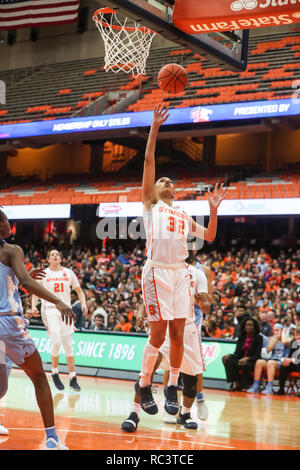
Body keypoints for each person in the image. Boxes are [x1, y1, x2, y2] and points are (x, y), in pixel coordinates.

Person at [135, 103, 226, 416]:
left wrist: (214, 210)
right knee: (158, 335)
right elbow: (148, 160)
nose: (167, 181)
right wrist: (155, 128)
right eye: (162, 180)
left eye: (170, 180)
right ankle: (144, 383)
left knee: (176, 334)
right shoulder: (151, 205)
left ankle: (172, 384)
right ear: (155, 189)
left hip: (179, 275)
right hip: (157, 272)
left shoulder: (182, 214)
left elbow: (211, 237)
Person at [0, 207, 75, 449]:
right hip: (8, 323)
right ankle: (52, 439)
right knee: (40, 378)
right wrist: (59, 301)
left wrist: (14, 277)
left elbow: (13, 281)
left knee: (1, 387)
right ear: (0, 224)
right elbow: (27, 282)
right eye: (6, 220)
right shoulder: (11, 250)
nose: (9, 224)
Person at [121, 254, 210, 432]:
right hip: (164, 325)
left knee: (191, 377)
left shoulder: (198, 274)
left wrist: (202, 300)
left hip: (188, 326)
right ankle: (134, 413)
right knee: (149, 368)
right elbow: (151, 293)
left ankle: (185, 414)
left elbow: (207, 307)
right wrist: (141, 311)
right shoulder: (162, 267)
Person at [31, 249, 88, 392]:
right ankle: (54, 372)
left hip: (66, 310)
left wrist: (84, 303)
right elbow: (35, 292)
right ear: (48, 259)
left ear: (60, 258)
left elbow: (79, 291)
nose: (55, 256)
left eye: (57, 254)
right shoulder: (44, 273)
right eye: (52, 255)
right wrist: (33, 306)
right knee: (56, 341)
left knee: (68, 345)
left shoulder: (69, 273)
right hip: (50, 309)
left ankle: (73, 377)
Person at [247, 323, 290, 395]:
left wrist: (282, 335)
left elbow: (285, 342)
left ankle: (269, 387)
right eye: (274, 330)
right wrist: (274, 340)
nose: (275, 332)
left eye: (277, 330)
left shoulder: (287, 339)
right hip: (272, 361)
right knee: (259, 362)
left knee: (270, 362)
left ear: (282, 331)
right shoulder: (273, 339)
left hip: (282, 362)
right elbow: (268, 350)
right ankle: (255, 385)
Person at [222, 318, 262, 391]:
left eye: (251, 325)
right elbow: (237, 353)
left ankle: (245, 385)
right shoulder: (241, 337)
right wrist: (230, 355)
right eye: (247, 325)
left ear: (254, 327)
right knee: (227, 359)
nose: (249, 327)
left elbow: (258, 355)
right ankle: (236, 383)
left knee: (244, 363)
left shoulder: (259, 338)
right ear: (244, 326)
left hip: (252, 361)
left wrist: (247, 358)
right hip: (240, 359)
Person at [276, 325, 300, 395]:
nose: (297, 337)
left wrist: (291, 360)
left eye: (299, 335)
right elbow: (290, 355)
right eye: (296, 335)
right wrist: (286, 360)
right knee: (283, 366)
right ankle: (281, 389)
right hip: (295, 364)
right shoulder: (294, 342)